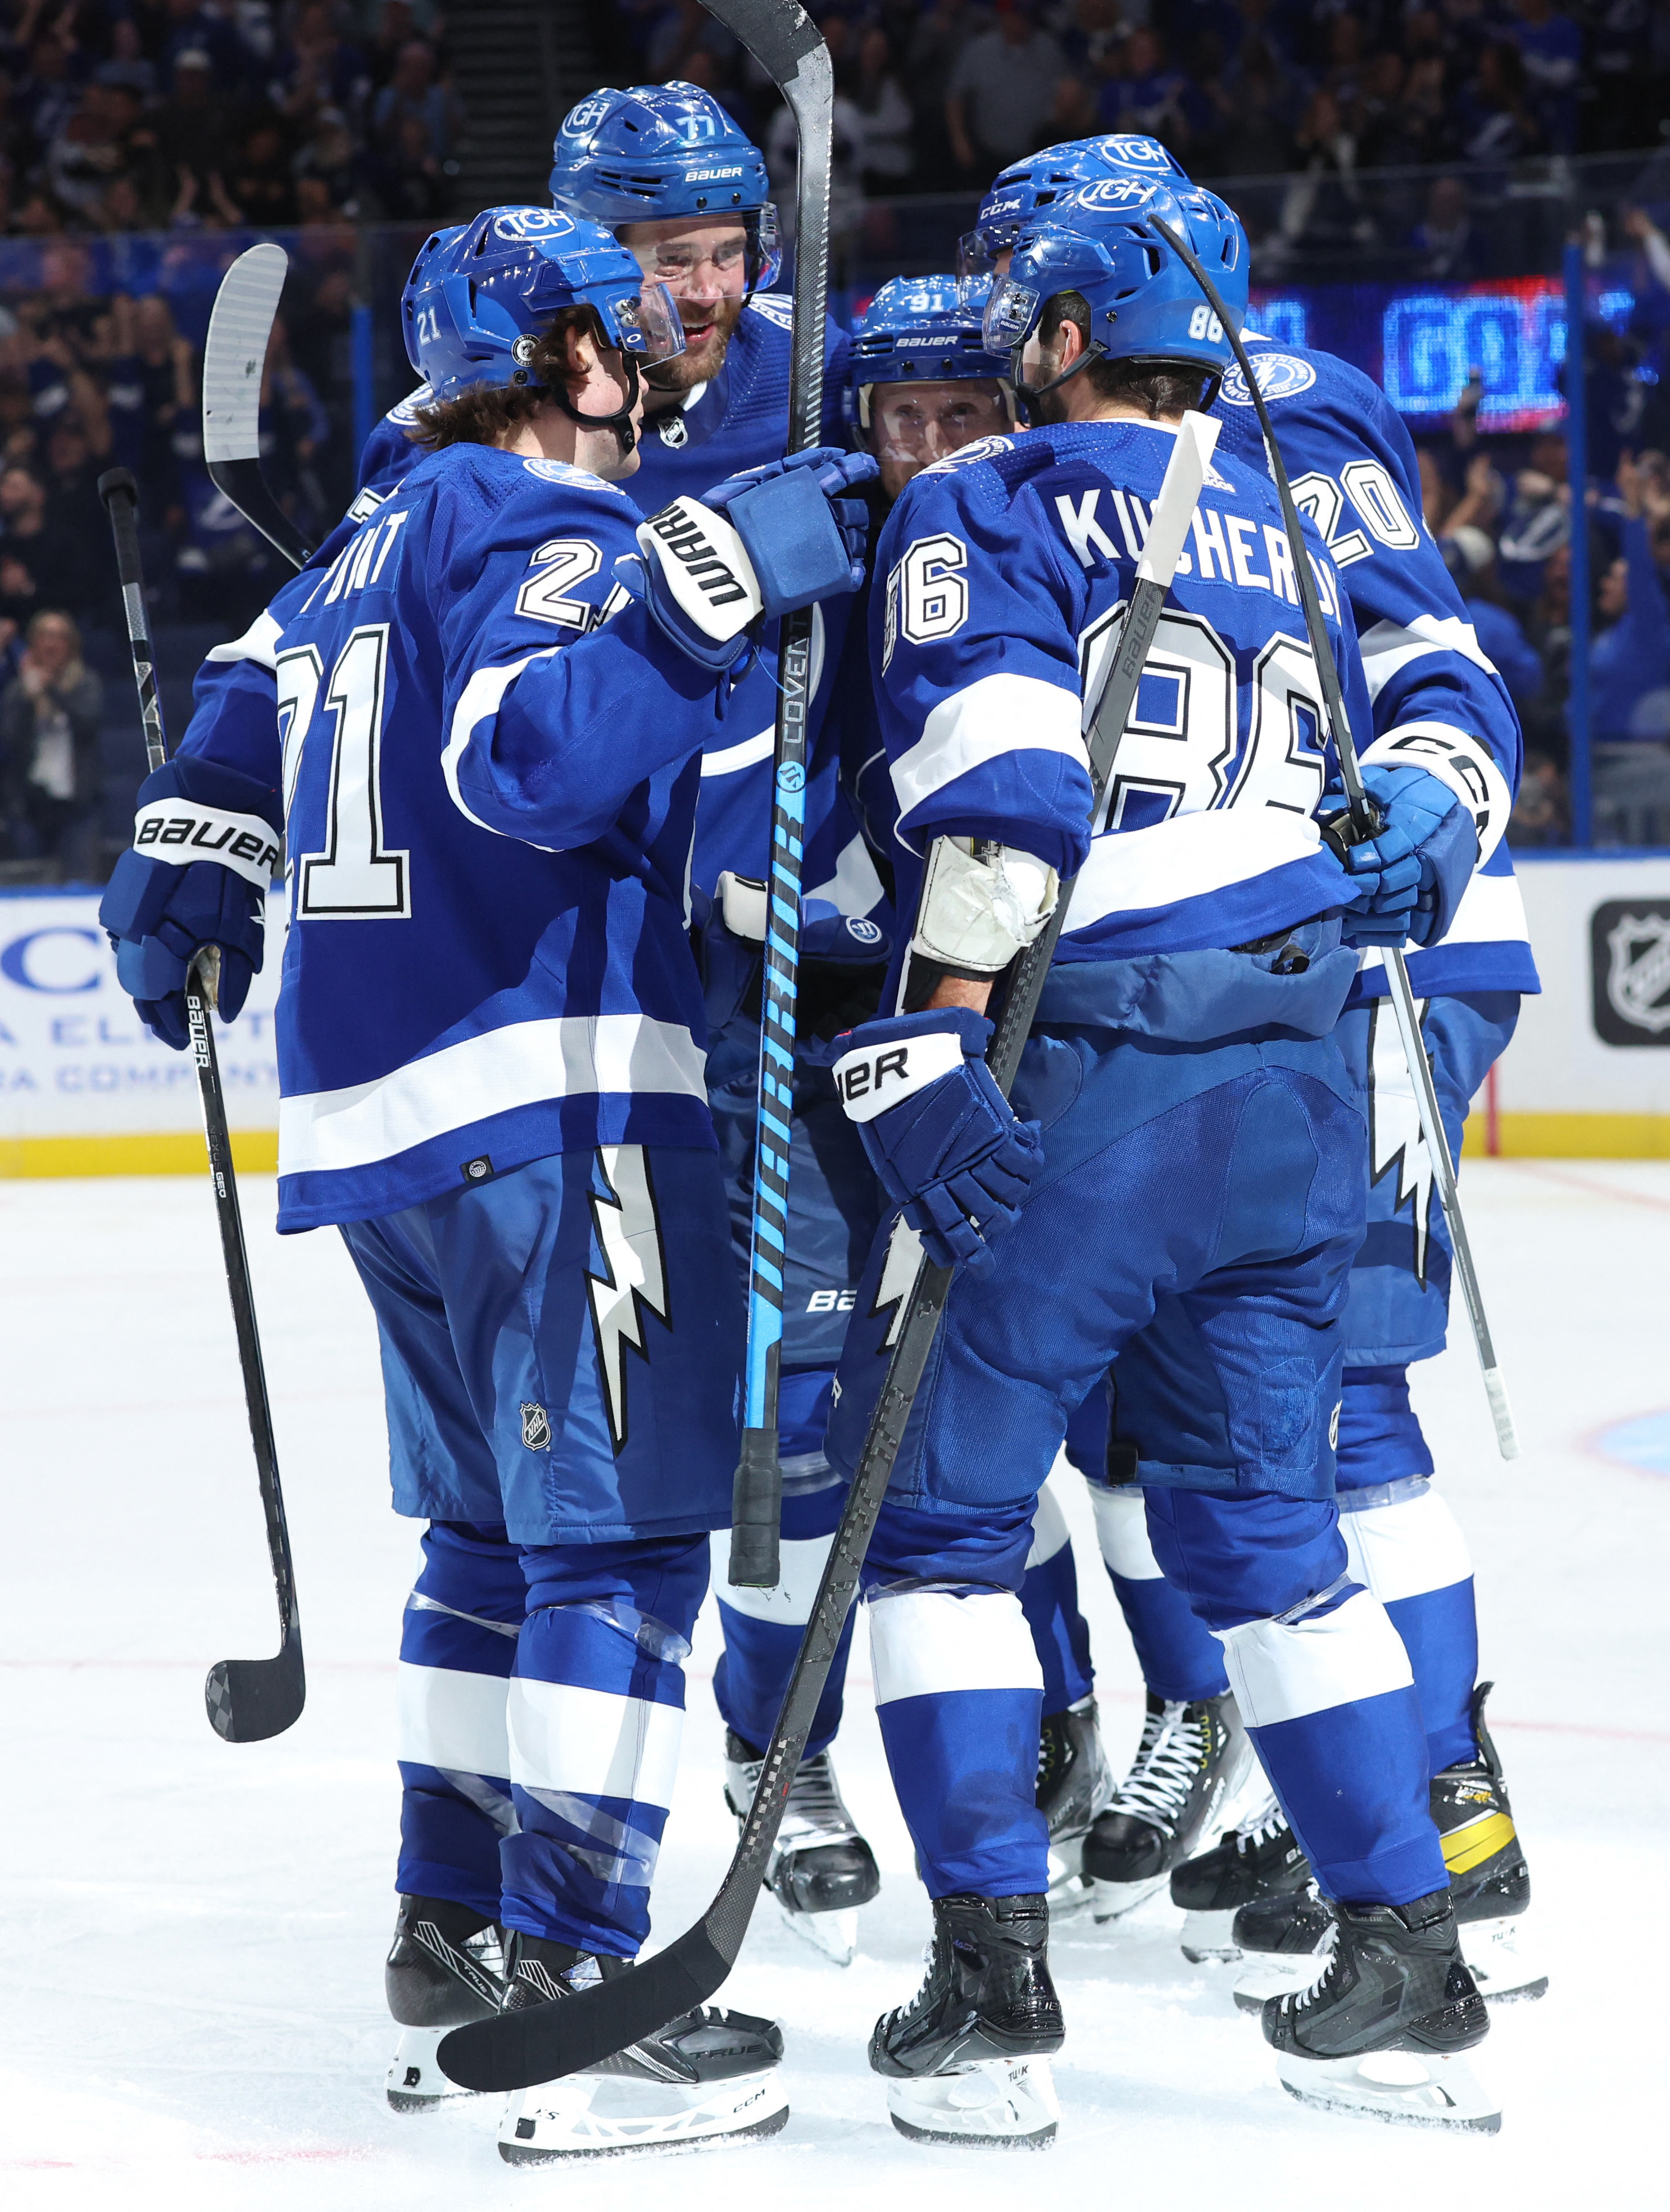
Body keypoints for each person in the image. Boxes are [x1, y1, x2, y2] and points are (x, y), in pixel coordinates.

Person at [98, 205, 877, 2158]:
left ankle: (444, 1934)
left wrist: (186, 869)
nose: (660, 349)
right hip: (553, 1103)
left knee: (487, 1544)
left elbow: (227, 745)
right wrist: (703, 581)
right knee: (613, 1548)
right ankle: (582, 1984)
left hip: (374, 1124)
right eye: (626, 325)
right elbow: (529, 755)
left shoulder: (358, 548)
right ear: (560, 358)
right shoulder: (549, 526)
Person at [824, 178, 1495, 2141]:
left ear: (1047, 336)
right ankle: (1406, 1956)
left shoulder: (994, 496)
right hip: (1298, 1075)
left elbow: (1014, 780)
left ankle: (990, 1991)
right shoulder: (1291, 502)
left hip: (1096, 1053)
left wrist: (940, 1020)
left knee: (938, 1524)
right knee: (1275, 1538)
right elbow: (1446, 693)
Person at [952, 137, 1545, 2011]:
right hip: (1269, 964)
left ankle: (1443, 1827)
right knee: (1199, 1411)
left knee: (1337, 1406)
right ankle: (1322, 1785)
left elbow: (1439, 654)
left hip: (1356, 953)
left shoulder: (1283, 408)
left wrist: (1440, 812)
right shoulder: (1129, 439)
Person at [1590, 449, 1670, 843]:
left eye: (1616, 577)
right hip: (1595, 759)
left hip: (1636, 760)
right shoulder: (1607, 635)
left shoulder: (1649, 629)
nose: (1607, 582)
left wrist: (1634, 510)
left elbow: (1641, 574)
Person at [0, 607, 103, 879]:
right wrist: (28, 696)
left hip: (76, 806)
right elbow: (10, 740)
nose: (51, 643)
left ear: (71, 645)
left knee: (79, 882)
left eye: (59, 636)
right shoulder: (17, 691)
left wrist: (50, 690)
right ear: (33, 642)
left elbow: (87, 726)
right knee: (27, 883)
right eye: (44, 635)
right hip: (28, 808)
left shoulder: (86, 684)